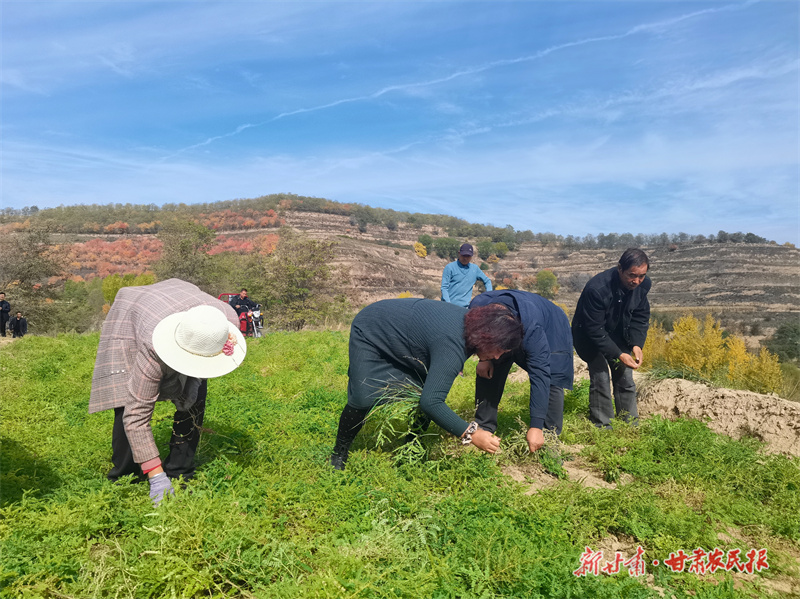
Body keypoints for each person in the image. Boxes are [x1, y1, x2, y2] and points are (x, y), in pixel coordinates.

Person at [89, 278, 247, 506]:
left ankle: (179, 470)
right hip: (135, 313)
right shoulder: (152, 344)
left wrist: (193, 381)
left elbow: (202, 358)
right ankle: (126, 475)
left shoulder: (223, 324)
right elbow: (137, 414)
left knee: (195, 397)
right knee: (127, 399)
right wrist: (156, 476)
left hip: (184, 311)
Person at [330, 298, 523, 470]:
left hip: (408, 340)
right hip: (372, 329)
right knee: (363, 397)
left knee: (424, 388)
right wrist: (472, 434)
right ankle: (339, 453)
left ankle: (411, 447)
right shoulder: (452, 344)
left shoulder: (473, 330)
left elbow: (429, 397)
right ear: (487, 338)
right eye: (498, 350)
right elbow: (431, 403)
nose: (497, 357)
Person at [469, 290, 573, 452]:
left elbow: (541, 375)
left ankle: (548, 439)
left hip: (551, 326)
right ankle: (483, 428)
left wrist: (536, 426)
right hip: (505, 324)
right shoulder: (476, 311)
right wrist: (484, 359)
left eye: (501, 351)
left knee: (552, 378)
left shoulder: (533, 331)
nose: (497, 356)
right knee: (490, 368)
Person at [571, 248, 651, 429]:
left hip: (617, 333)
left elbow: (640, 315)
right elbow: (594, 329)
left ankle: (629, 424)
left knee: (625, 376)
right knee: (600, 375)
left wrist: (636, 344)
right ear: (620, 268)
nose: (636, 281)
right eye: (632, 275)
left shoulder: (642, 286)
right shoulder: (597, 289)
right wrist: (619, 354)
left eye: (642, 276)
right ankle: (603, 425)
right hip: (588, 335)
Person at [441, 243, 493, 308]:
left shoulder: (475, 269)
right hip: (448, 306)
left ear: (471, 256)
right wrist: (448, 303)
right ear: (459, 253)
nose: (465, 258)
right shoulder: (450, 267)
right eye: (464, 255)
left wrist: (488, 296)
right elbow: (444, 288)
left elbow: (487, 281)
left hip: (465, 308)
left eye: (468, 256)